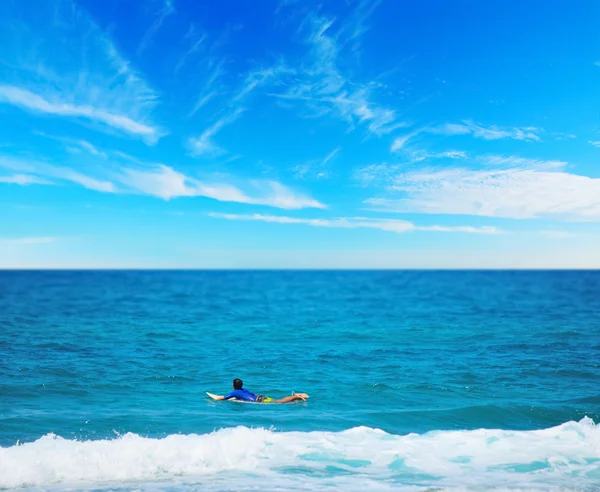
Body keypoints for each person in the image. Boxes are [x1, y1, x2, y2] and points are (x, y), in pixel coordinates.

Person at [213, 378, 308, 403]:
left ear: (233, 386)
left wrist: (215, 399)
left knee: (279, 402)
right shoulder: (243, 389)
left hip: (259, 400)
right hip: (260, 397)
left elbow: (223, 398)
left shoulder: (235, 392)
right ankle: (296, 398)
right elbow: (253, 394)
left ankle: (295, 396)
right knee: (277, 401)